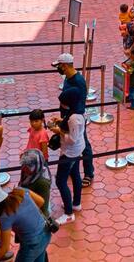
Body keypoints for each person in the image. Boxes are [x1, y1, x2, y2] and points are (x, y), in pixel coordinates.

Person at [0, 182, 51, 262]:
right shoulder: (20, 191)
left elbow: (4, 249)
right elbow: (41, 202)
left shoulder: (5, 217)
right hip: (46, 232)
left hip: (32, 244)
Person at [51, 53, 94, 188]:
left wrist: (67, 120)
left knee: (83, 144)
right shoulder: (68, 79)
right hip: (66, 116)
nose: (58, 68)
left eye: (59, 66)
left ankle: (88, 173)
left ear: (64, 66)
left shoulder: (79, 82)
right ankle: (71, 166)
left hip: (75, 119)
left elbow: (79, 106)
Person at [50, 87, 85, 226]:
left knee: (60, 181)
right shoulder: (77, 112)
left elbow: (71, 139)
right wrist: (60, 121)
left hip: (70, 152)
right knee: (75, 174)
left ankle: (69, 214)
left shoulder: (74, 119)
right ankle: (76, 203)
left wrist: (58, 131)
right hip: (76, 151)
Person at [18, 149, 52, 216]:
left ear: (36, 167)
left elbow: (43, 208)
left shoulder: (43, 183)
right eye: (23, 165)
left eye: (27, 166)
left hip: (36, 212)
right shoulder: (28, 172)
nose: (23, 168)